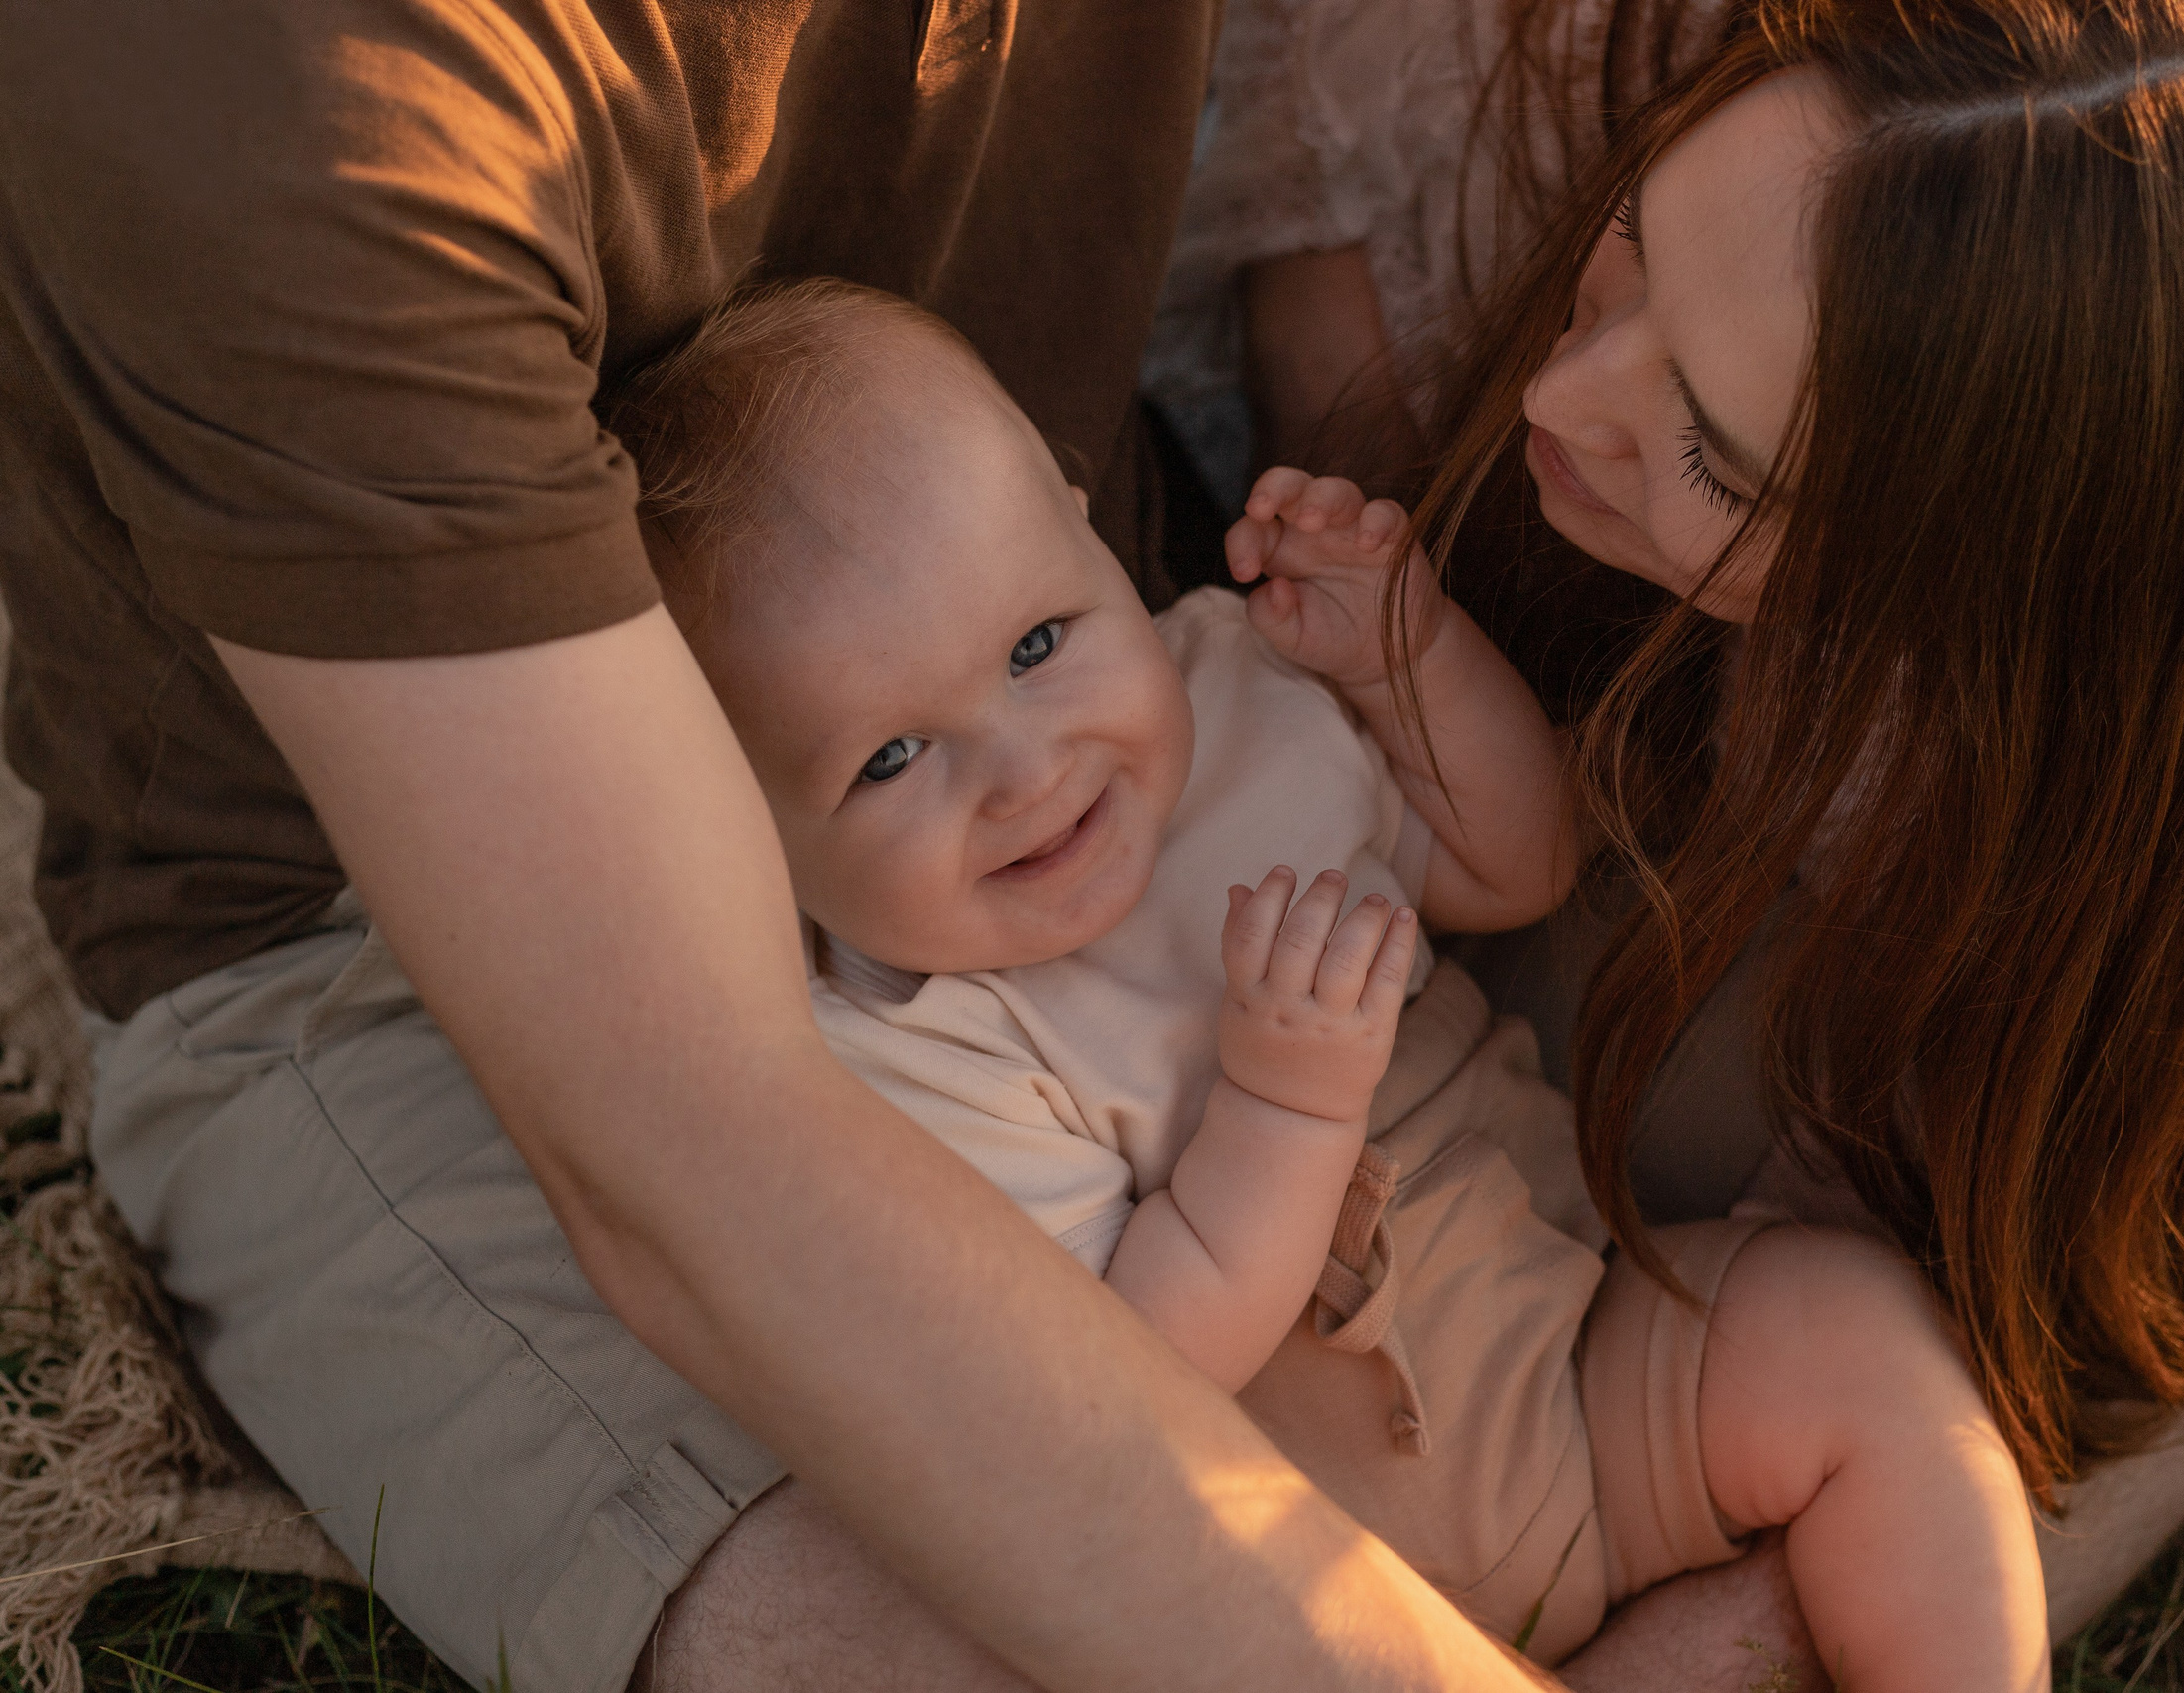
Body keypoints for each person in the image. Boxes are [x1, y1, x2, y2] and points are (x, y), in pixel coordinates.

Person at [0, 5, 1560, 1689]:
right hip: (401, 907)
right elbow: (695, 1150)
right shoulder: (282, 70)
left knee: (1822, 1202)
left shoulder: (1184, 695)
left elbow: (1511, 838)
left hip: (1099, 631)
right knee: (980, 1626)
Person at [1174, 0, 2184, 1682]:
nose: (1567, 389)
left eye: (1715, 451)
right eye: (1631, 247)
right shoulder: (1477, 155)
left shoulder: (2080, 792)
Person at [607, 275, 2051, 1687]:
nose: (1028, 772)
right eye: (889, 759)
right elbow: (1122, 1383)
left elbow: (1516, 862)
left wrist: (1408, 656)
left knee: (1847, 1331)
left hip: (1586, 1385)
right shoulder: (901, 1051)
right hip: (1308, 1572)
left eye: (1039, 646)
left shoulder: (1240, 696)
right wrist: (1285, 1107)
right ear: (744, 824)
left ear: (1080, 520)